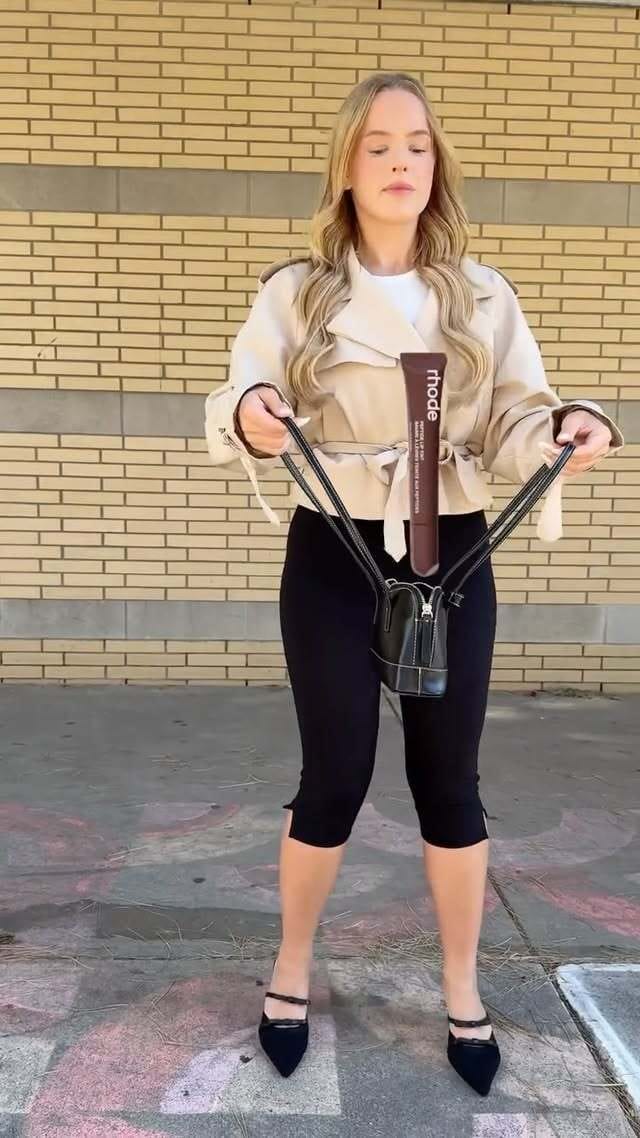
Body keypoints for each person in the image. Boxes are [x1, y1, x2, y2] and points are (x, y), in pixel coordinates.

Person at [204, 72, 624, 1095]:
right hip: (335, 550)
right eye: (380, 144)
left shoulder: (480, 296)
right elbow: (245, 386)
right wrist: (254, 411)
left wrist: (564, 429)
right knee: (334, 774)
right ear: (348, 167)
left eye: (419, 145)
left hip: (454, 552)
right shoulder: (298, 291)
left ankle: (462, 986)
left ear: (438, 165)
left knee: (450, 782)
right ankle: (291, 969)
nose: (401, 161)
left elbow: (518, 416)